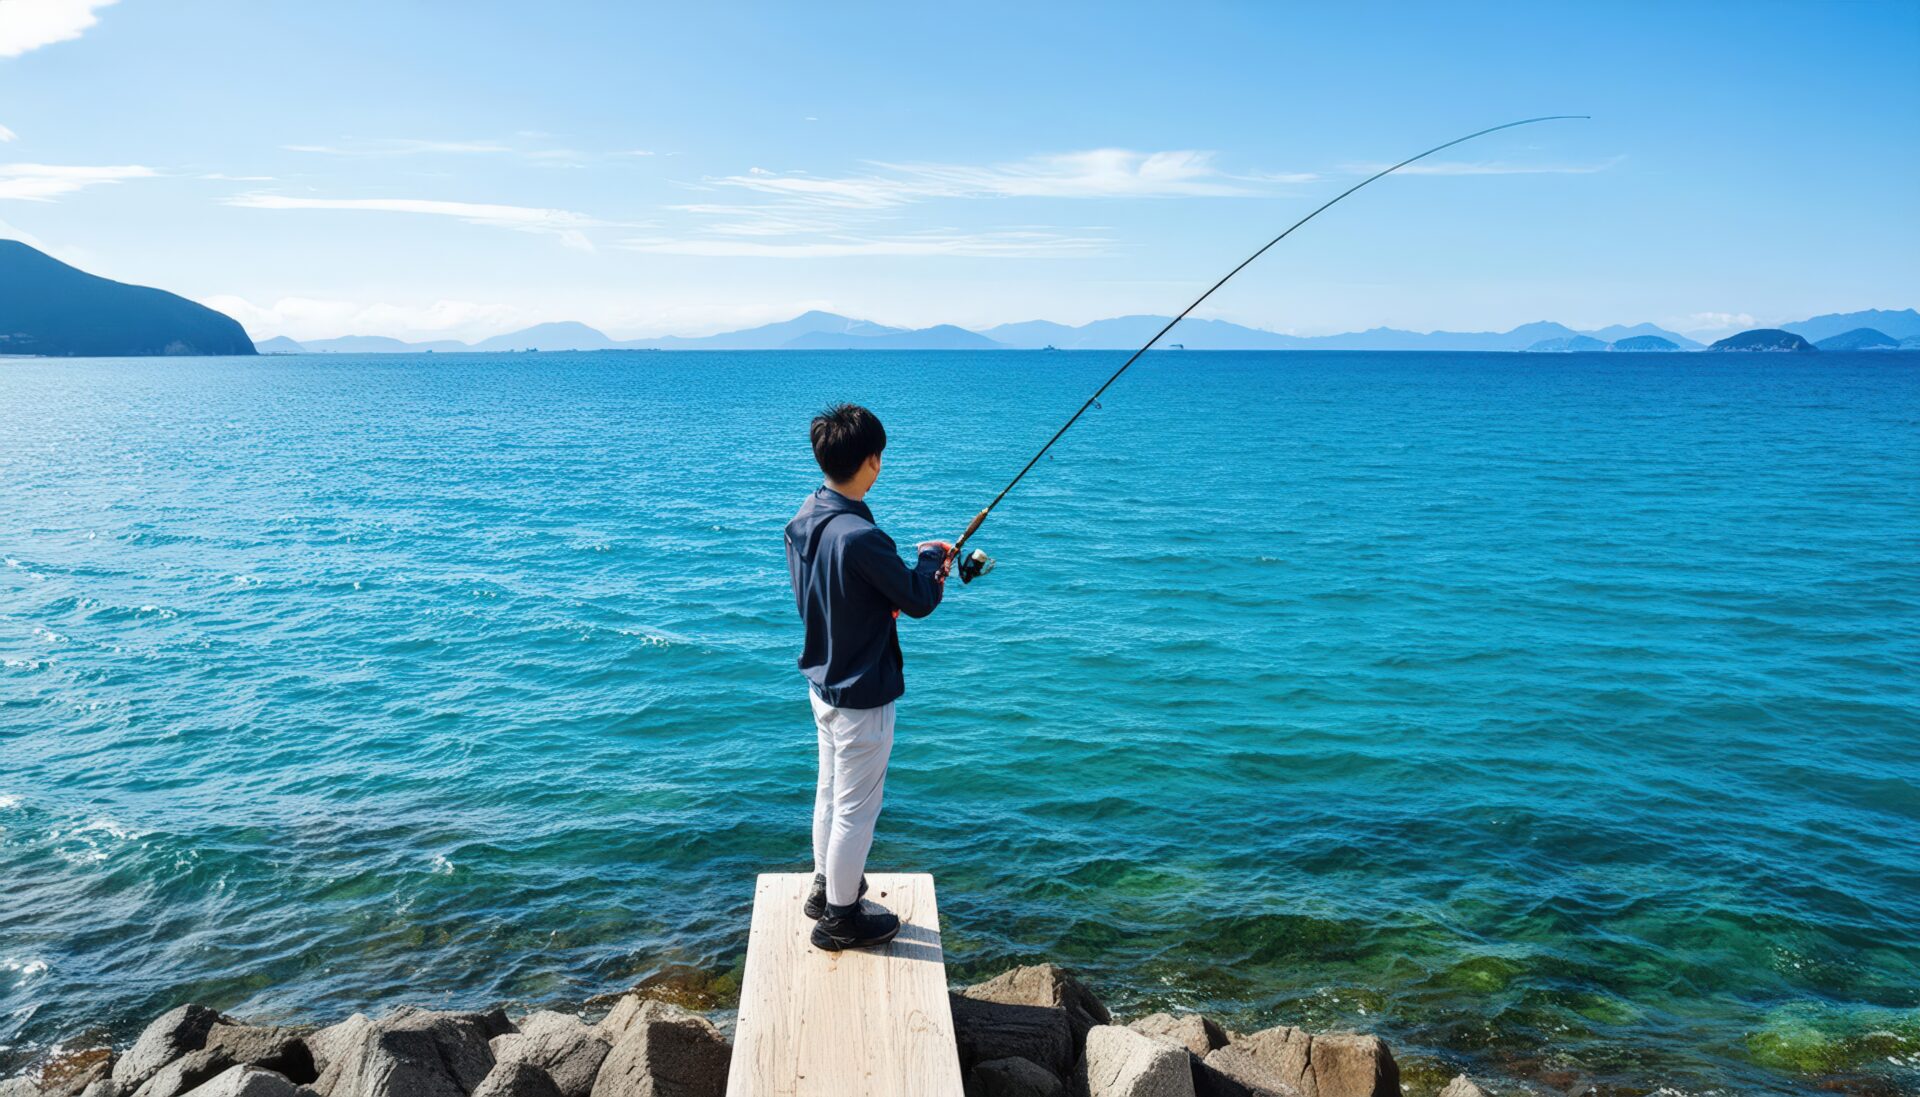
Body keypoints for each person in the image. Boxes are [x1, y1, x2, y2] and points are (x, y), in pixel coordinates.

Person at [784, 403, 951, 951]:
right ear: (872, 461)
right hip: (862, 695)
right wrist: (931, 558)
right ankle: (840, 918)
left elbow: (835, 592)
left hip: (823, 683)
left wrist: (882, 601)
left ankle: (824, 887)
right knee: (857, 810)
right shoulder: (859, 535)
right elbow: (920, 599)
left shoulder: (806, 517)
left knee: (830, 795)